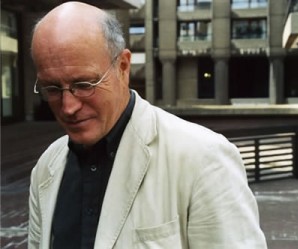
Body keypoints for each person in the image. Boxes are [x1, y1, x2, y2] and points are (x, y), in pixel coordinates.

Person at [28, 2, 267, 249]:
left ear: (123, 67)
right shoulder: (46, 167)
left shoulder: (204, 158)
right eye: (52, 89)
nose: (68, 106)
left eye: (85, 84)